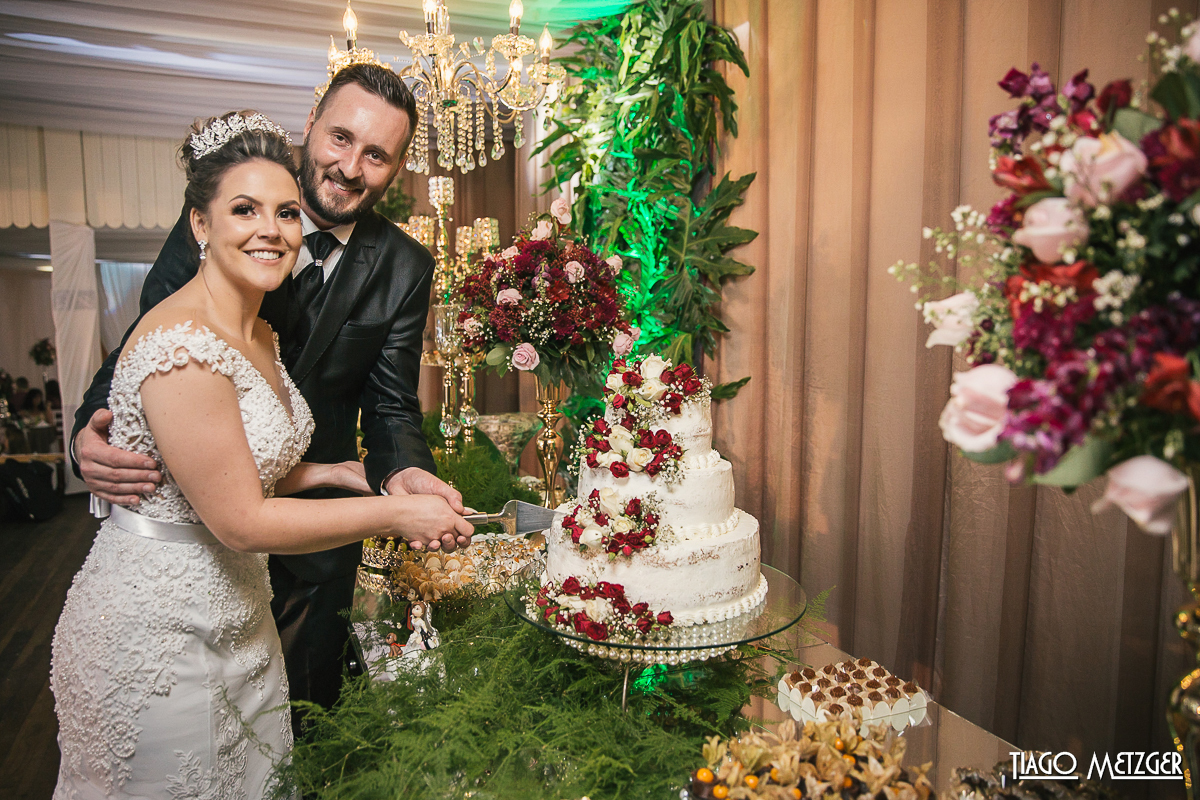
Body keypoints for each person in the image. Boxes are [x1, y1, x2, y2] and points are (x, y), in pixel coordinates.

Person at [51, 111, 474, 800]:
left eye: (282, 214)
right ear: (200, 224)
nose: (270, 229)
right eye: (244, 211)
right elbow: (237, 511)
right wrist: (392, 516)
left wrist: (347, 470)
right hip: (161, 623)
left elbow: (366, 411)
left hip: (246, 609)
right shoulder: (185, 339)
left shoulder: (266, 330)